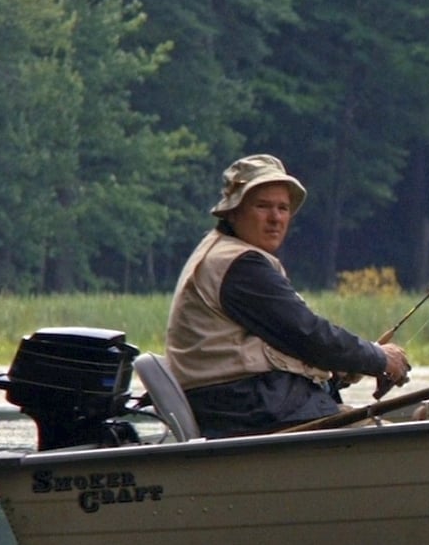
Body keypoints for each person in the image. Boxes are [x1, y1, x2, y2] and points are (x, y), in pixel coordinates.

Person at [165, 154, 410, 438]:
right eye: (262, 206)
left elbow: (283, 343)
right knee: (397, 439)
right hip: (254, 411)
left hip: (253, 406)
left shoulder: (222, 254)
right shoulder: (240, 266)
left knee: (384, 426)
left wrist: (342, 368)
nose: (275, 218)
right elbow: (308, 334)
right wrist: (380, 359)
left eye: (283, 208)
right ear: (232, 212)